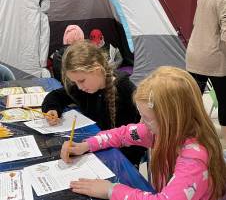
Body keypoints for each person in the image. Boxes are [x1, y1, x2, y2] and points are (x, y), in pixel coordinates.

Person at [60, 66, 226, 200]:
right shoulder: (156, 131)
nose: (141, 123)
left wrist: (111, 190)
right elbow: (122, 134)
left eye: (147, 118)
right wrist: (85, 145)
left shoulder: (194, 159)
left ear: (172, 119)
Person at [42, 40, 145, 166]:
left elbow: (137, 136)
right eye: (75, 82)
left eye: (81, 81)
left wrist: (91, 149)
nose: (79, 87)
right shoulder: (85, 88)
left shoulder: (125, 91)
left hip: (120, 158)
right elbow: (57, 95)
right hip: (94, 148)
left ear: (97, 69)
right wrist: (52, 108)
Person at [186, 0, 226, 144]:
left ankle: (189, 141)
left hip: (195, 55)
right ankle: (224, 144)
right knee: (225, 102)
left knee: (191, 104)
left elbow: (196, 22)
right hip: (215, 58)